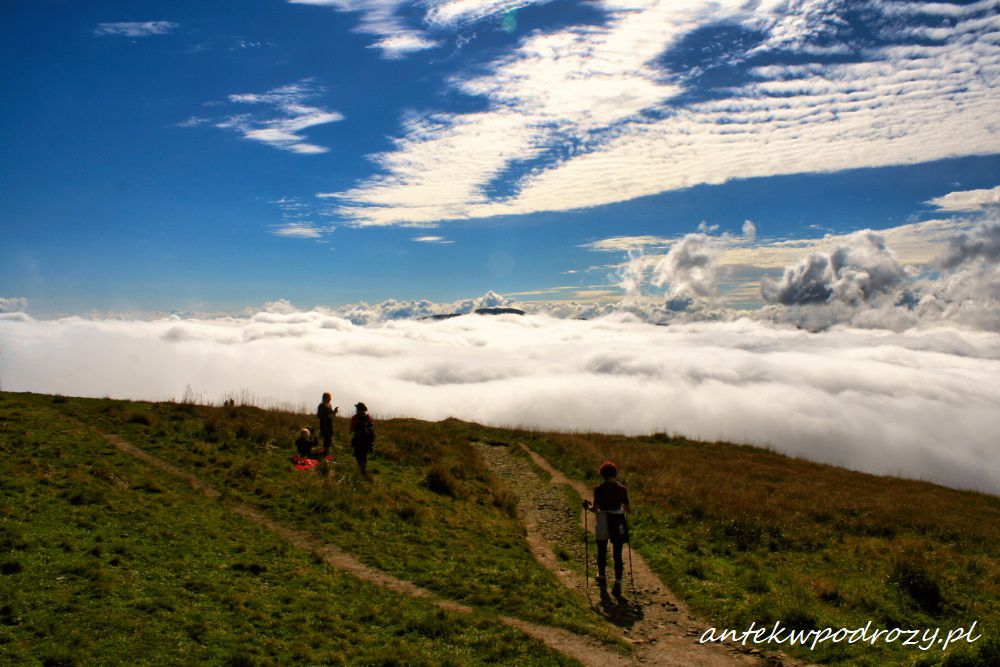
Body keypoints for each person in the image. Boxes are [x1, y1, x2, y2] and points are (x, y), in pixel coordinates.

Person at [583, 460, 631, 597]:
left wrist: (588, 507)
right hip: (617, 519)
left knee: (602, 549)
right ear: (615, 473)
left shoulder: (599, 489)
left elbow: (595, 508)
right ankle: (618, 580)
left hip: (603, 519)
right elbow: (628, 509)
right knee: (617, 552)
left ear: (602, 474)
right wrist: (621, 509)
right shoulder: (622, 489)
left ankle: (602, 576)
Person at [349, 402, 375, 476]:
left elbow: (351, 429)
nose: (356, 409)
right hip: (367, 440)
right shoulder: (369, 417)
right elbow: (372, 429)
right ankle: (363, 468)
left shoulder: (355, 418)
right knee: (364, 455)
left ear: (359, 409)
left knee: (357, 454)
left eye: (357, 408)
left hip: (358, 439)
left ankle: (361, 468)